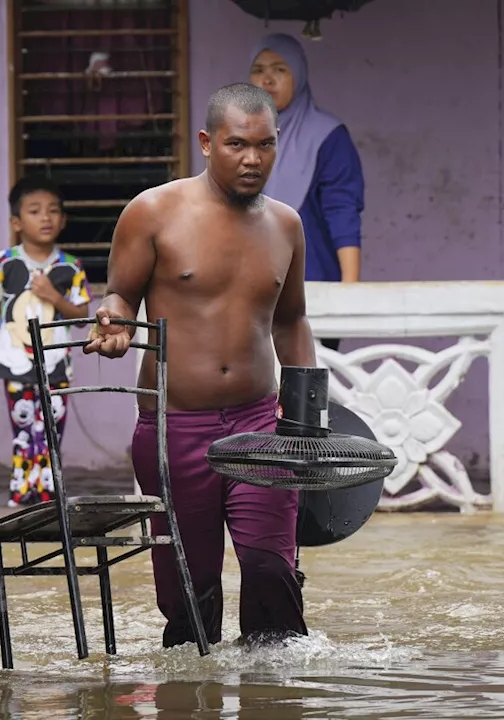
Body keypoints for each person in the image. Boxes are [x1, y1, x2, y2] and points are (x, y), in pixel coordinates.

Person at [83, 82, 317, 649]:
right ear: (207, 142)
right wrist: (112, 324)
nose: (252, 159)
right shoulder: (153, 212)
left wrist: (310, 419)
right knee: (192, 595)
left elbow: (291, 323)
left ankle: (278, 700)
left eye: (265, 146)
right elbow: (119, 297)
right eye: (238, 145)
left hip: (260, 425)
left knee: (270, 573)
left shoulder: (286, 225)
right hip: (174, 428)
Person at [0, 176, 92, 508]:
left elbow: (81, 314)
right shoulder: (3, 262)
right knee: (25, 429)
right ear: (16, 222)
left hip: (56, 366)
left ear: (63, 220)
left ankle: (49, 494)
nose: (46, 217)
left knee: (53, 432)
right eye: (35, 211)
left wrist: (53, 295)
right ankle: (22, 493)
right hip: (15, 363)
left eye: (53, 211)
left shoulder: (70, 266)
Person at [248, 32, 364, 352]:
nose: (267, 78)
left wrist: (350, 290)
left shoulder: (327, 136)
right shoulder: (239, 134)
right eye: (258, 69)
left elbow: (343, 210)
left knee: (307, 394)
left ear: (298, 76)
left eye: (280, 69)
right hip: (247, 288)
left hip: (310, 288)